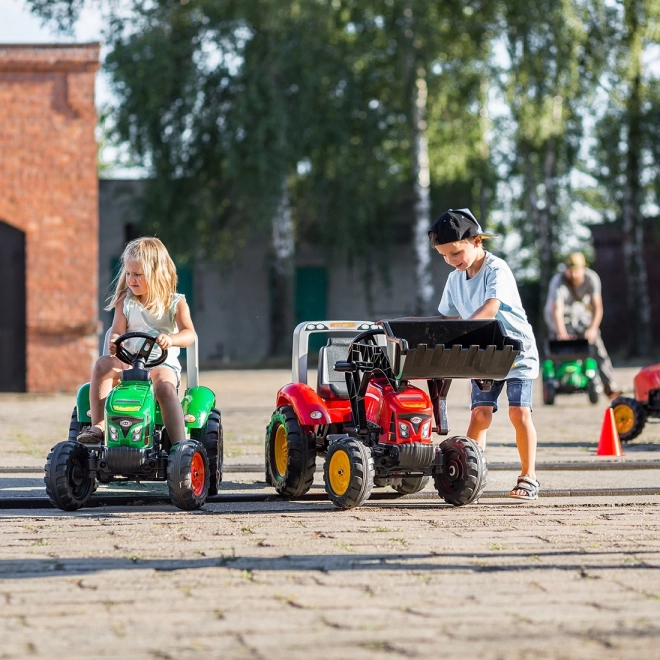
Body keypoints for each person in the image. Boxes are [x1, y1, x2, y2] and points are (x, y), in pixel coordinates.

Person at [428, 208, 540, 500]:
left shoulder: (496, 269)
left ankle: (528, 477)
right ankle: (469, 476)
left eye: (455, 253)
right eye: (444, 256)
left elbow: (491, 308)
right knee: (480, 414)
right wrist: (414, 330)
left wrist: (463, 335)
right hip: (483, 355)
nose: (451, 261)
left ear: (476, 241)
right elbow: (446, 320)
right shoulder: (455, 279)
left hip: (516, 352)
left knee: (519, 412)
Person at [77, 237, 196, 444]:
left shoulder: (175, 303)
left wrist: (171, 338)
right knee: (102, 365)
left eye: (138, 275)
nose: (131, 279)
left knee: (165, 387)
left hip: (161, 364)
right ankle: (98, 426)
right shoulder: (126, 301)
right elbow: (116, 331)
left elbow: (189, 334)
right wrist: (114, 341)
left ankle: (179, 445)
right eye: (129, 273)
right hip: (128, 361)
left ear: (157, 273)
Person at [543, 252, 621, 399]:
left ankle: (609, 386)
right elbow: (557, 311)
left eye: (577, 271)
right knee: (558, 348)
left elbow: (598, 307)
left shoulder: (592, 278)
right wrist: (562, 333)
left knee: (597, 346)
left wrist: (592, 329)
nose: (574, 275)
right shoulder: (558, 281)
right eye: (570, 271)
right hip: (559, 318)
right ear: (566, 269)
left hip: (581, 317)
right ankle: (558, 378)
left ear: (584, 269)